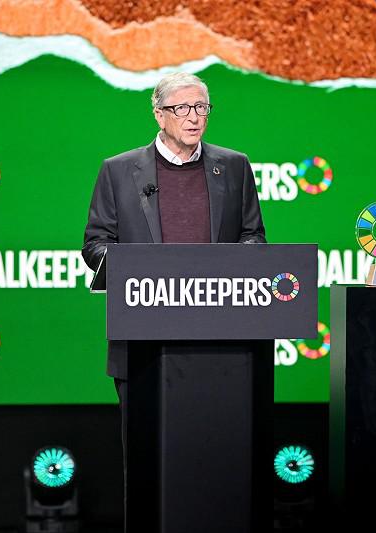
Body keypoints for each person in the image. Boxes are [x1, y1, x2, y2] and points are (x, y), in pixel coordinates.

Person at [81, 71, 266, 528]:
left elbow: (253, 238)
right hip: (144, 346)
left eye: (201, 107)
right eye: (182, 108)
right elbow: (96, 244)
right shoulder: (119, 170)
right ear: (159, 114)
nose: (194, 117)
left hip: (221, 347)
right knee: (148, 465)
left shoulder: (234, 165)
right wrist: (139, 269)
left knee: (218, 462)